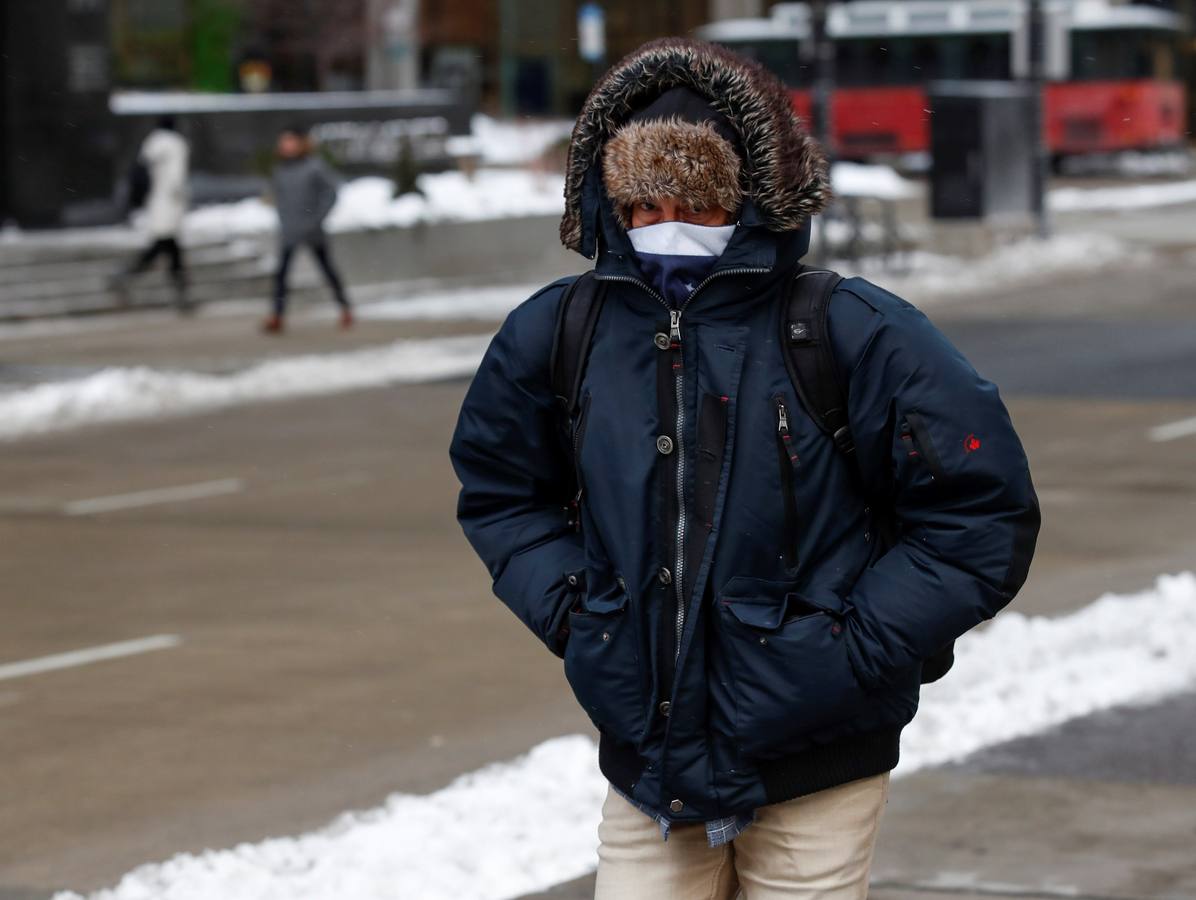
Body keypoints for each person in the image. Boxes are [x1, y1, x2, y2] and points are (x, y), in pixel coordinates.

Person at [450, 38, 1040, 899]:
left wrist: (855, 649)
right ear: (609, 204)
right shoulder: (558, 332)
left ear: (751, 198)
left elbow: (977, 513)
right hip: (649, 762)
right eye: (643, 202)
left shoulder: (852, 329)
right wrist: (584, 618)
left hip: (819, 757)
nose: (667, 222)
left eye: (695, 198)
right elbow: (504, 493)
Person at [262, 124, 352, 334]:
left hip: (312, 230)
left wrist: (317, 218)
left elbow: (331, 193)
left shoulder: (314, 167)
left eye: (290, 141)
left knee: (327, 270)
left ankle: (345, 308)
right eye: (283, 141)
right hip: (289, 230)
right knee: (282, 275)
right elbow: (277, 197)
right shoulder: (280, 170)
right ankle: (277, 314)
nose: (286, 145)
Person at [114, 115, 191, 312]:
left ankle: (179, 292)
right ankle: (128, 275)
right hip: (170, 204)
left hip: (156, 202)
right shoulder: (176, 144)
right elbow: (176, 178)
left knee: (168, 248)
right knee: (165, 247)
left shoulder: (151, 143)